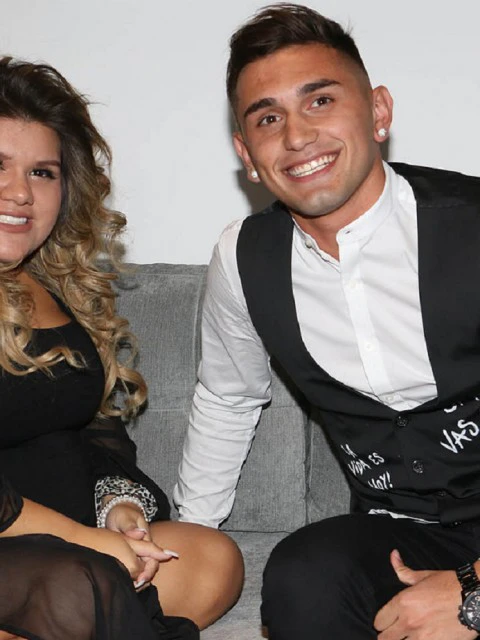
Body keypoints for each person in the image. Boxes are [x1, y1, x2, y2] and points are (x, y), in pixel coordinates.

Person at [173, 3, 480, 639]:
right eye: (268, 118)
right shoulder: (243, 258)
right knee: (304, 577)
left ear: (379, 112)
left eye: (320, 101)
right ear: (246, 152)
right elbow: (228, 398)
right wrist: (188, 541)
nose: (296, 136)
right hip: (403, 530)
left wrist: (473, 592)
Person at [0, 56, 243, 640]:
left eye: (42, 172)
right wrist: (82, 539)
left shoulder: (56, 283)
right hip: (41, 548)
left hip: (67, 547)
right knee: (83, 585)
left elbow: (94, 426)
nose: (21, 192)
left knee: (212, 560)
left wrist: (118, 510)